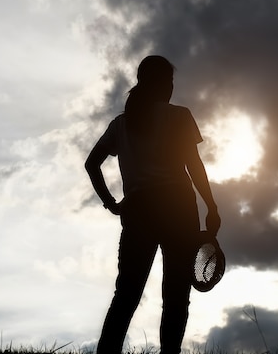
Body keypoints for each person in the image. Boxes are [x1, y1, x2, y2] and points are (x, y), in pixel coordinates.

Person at [85, 55, 220, 354]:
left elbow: (91, 164)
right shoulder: (180, 116)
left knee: (127, 294)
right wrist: (211, 205)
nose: (172, 87)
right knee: (175, 294)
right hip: (178, 208)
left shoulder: (121, 124)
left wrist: (112, 203)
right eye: (170, 82)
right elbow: (193, 165)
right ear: (162, 85)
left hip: (139, 210)